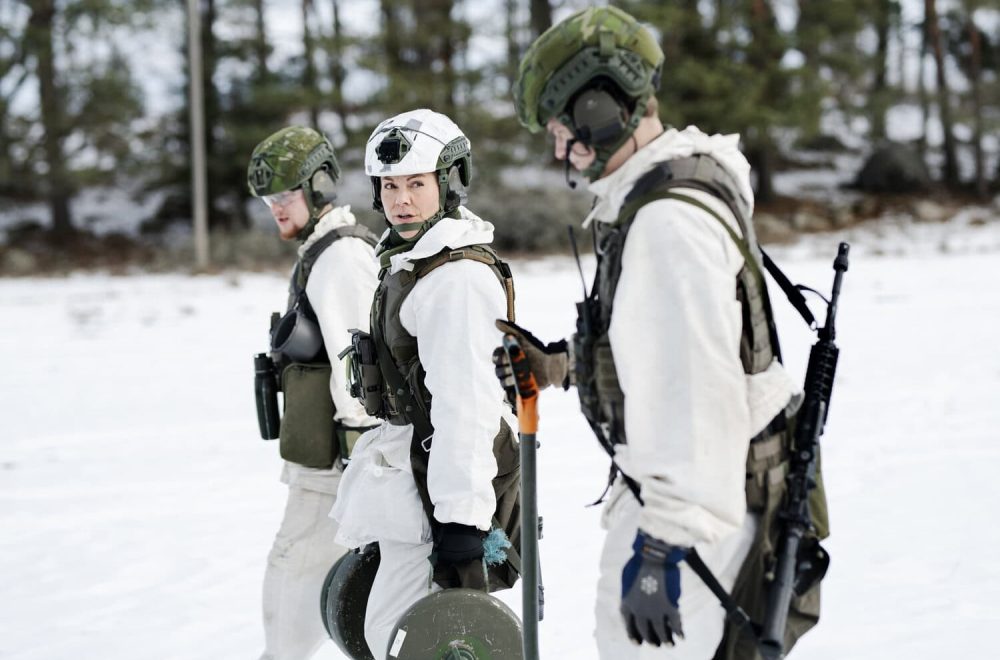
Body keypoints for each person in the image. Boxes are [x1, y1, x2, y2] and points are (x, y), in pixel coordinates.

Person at [499, 6, 822, 659]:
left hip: (694, 517)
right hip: (688, 495)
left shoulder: (668, 225)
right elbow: (653, 348)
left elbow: (698, 396)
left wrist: (659, 549)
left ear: (599, 105)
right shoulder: (656, 195)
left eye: (564, 129)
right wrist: (559, 365)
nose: (560, 149)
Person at [330, 109, 519, 660]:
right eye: (390, 185)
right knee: (389, 634)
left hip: (439, 483)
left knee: (408, 639)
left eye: (417, 184)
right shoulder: (411, 262)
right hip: (410, 475)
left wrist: (461, 522)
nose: (401, 200)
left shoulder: (454, 278)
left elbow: (468, 404)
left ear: (450, 183)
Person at [247, 125, 380, 660]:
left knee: (291, 586)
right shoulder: (321, 251)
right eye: (268, 199)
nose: (276, 208)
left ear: (319, 185)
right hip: (325, 464)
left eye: (285, 195)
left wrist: (357, 464)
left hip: (334, 471)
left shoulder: (340, 257)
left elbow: (358, 371)